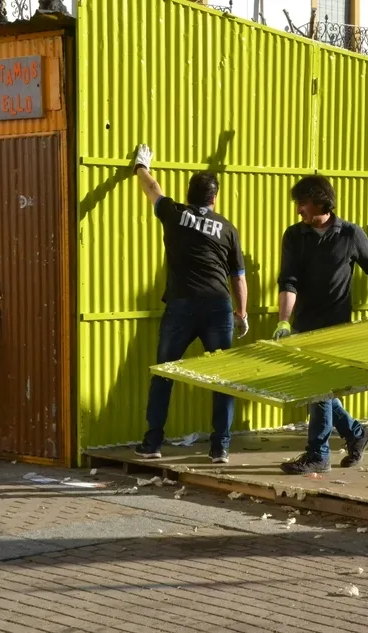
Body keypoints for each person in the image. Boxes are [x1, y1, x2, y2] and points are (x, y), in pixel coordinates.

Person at [273, 175, 368, 474]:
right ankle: (357, 433)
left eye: (302, 203)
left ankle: (318, 454)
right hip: (304, 325)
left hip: (337, 329)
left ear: (321, 201)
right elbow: (288, 280)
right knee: (319, 392)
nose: (298, 210)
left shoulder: (349, 235)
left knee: (319, 390)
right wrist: (283, 321)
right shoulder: (294, 235)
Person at [131, 144, 249, 464]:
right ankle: (219, 448)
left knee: (164, 373)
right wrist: (242, 313)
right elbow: (238, 277)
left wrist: (142, 165)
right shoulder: (227, 228)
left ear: (188, 194)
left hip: (182, 306)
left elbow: (152, 188)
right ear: (214, 199)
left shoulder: (174, 213)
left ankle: (153, 443)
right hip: (217, 307)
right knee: (221, 378)